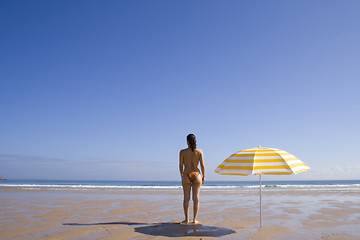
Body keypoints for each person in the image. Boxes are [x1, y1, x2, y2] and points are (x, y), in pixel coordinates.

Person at [179, 134, 205, 224]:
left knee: (186, 198)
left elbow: (180, 165)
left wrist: (182, 175)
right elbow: (202, 165)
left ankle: (186, 219)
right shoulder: (199, 151)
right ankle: (194, 219)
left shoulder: (182, 152)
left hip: (186, 174)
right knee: (196, 198)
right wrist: (204, 176)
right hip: (197, 174)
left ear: (187, 141)